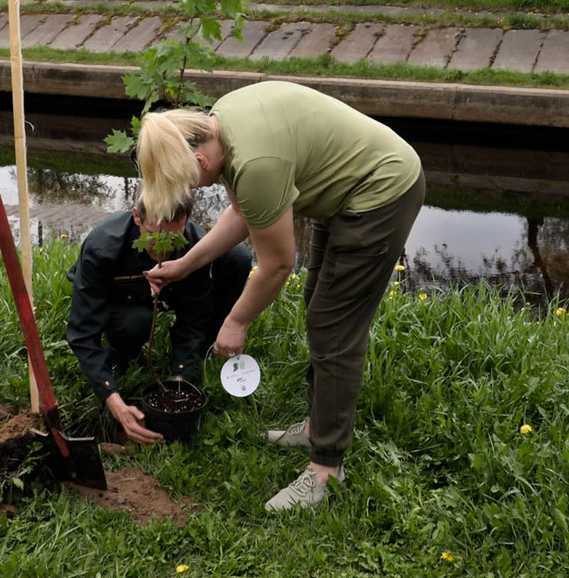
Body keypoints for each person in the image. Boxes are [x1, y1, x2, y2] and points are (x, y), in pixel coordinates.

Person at [138, 80, 424, 511]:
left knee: (334, 327)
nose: (197, 189)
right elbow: (243, 213)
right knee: (320, 307)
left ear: (198, 159)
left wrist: (235, 321)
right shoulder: (223, 119)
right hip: (343, 189)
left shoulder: (256, 164)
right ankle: (316, 425)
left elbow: (276, 265)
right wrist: (184, 265)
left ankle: (326, 468)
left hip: (380, 192)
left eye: (190, 182)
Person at [67, 191, 251, 444]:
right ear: (136, 216)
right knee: (135, 324)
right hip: (122, 292)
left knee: (237, 258)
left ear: (186, 221)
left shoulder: (194, 245)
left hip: (175, 288)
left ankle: (203, 353)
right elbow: (82, 333)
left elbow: (193, 317)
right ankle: (121, 355)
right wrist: (114, 401)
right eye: (153, 235)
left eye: (173, 237)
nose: (161, 246)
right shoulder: (103, 247)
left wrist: (179, 379)